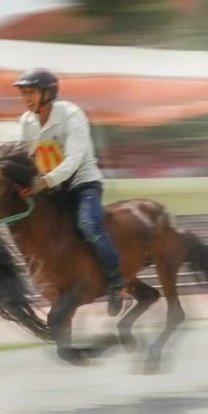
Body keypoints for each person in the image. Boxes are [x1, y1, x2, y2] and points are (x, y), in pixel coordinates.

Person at [14, 68, 124, 314]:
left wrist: (46, 181)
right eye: (24, 93)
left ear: (48, 93)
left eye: (31, 92)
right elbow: (25, 155)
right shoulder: (26, 121)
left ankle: (116, 282)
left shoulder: (72, 114)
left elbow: (75, 158)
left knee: (88, 226)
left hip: (82, 183)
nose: (27, 98)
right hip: (51, 186)